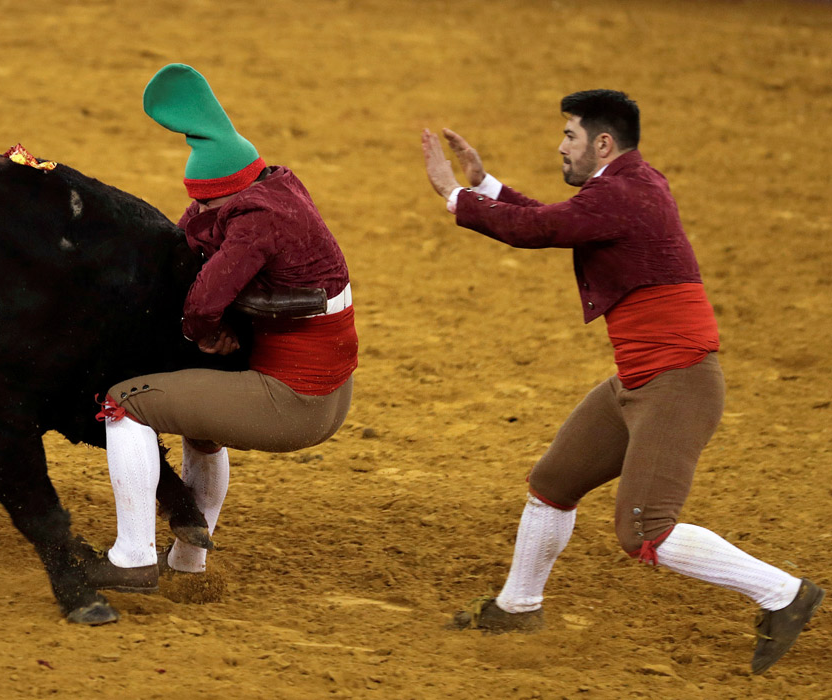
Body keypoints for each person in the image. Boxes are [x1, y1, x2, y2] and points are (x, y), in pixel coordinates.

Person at [421, 89, 822, 674]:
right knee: (555, 480)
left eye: (570, 136)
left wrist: (452, 194)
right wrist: (485, 187)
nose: (561, 147)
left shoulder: (625, 193)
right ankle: (517, 605)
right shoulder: (628, 187)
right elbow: (559, 221)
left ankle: (784, 593)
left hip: (675, 382)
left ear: (602, 143)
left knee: (646, 531)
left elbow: (537, 231)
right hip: (641, 379)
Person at [91, 63, 357, 592]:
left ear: (232, 194)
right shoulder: (277, 186)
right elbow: (194, 228)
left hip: (292, 403)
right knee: (200, 422)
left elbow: (203, 303)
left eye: (209, 203)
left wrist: (204, 333)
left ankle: (133, 558)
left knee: (126, 402)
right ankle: (189, 563)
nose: (200, 213)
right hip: (329, 392)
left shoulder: (253, 221)